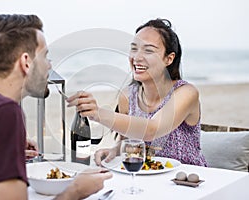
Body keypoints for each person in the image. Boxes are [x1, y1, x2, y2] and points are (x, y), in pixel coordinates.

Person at [0, 14, 112, 200]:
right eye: (45, 57)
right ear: (26, 62)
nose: (49, 66)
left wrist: (5, 151)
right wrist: (76, 191)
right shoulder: (3, 112)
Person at [67, 18, 207, 166]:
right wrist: (114, 151)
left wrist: (98, 113)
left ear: (168, 59)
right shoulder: (128, 96)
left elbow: (152, 129)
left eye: (148, 50)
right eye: (134, 48)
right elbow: (127, 143)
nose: (137, 57)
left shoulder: (186, 93)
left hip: (187, 182)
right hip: (146, 180)